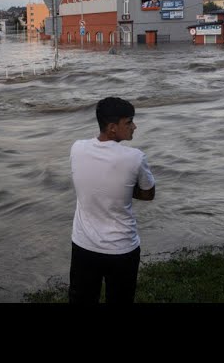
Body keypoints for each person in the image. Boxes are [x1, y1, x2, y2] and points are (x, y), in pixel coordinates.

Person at [68, 97, 156, 304]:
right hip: (122, 248)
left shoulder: (77, 148)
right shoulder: (135, 157)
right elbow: (148, 193)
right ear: (112, 128)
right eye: (129, 122)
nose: (134, 126)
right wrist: (123, 189)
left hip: (84, 245)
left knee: (81, 299)